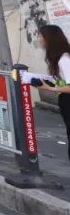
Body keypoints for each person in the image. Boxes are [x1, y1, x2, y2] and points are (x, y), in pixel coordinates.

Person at [35, 24, 70, 159]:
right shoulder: (60, 58)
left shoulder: (64, 60)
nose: (39, 39)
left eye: (41, 36)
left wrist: (49, 88)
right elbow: (63, 81)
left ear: (50, 38)